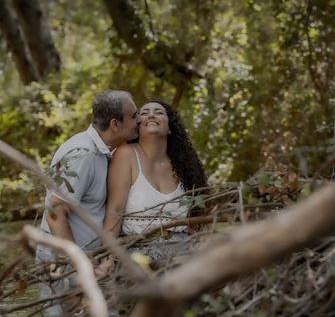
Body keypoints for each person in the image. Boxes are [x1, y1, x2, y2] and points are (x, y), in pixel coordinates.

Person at [36, 89, 138, 267]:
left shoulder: (100, 151)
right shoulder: (84, 154)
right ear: (115, 124)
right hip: (64, 265)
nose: (139, 120)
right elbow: (55, 214)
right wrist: (80, 266)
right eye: (134, 116)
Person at [103, 100, 207, 247]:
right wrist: (108, 255)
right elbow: (114, 211)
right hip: (138, 252)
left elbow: (197, 218)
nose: (151, 115)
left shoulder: (184, 165)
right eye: (144, 113)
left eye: (159, 112)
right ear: (137, 127)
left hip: (182, 253)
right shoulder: (126, 154)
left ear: (170, 128)